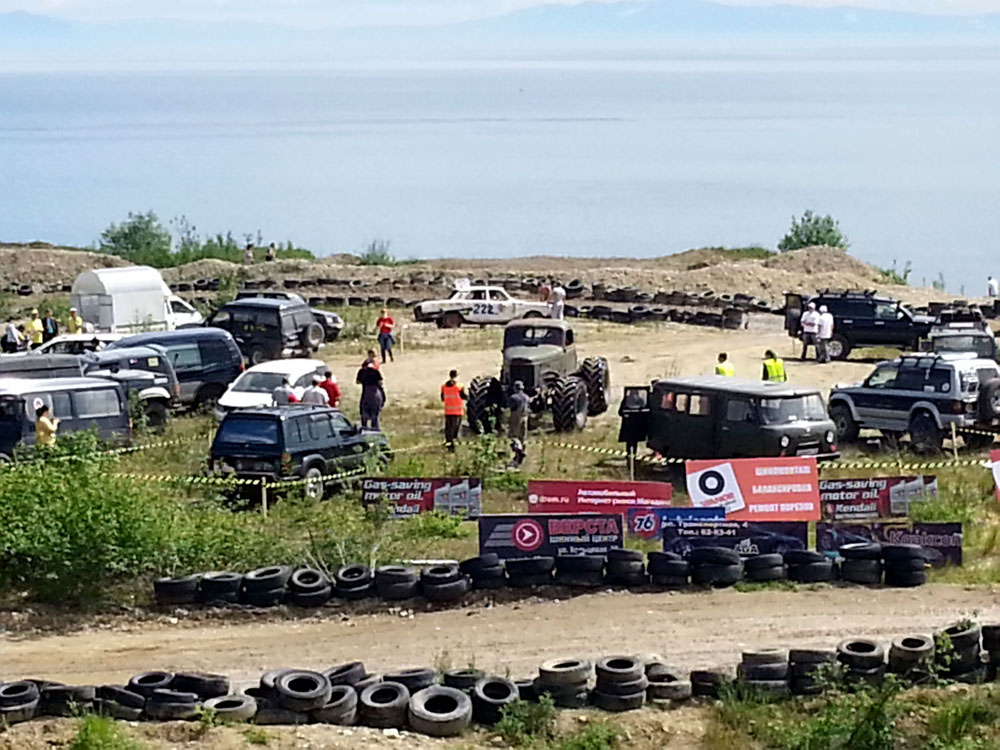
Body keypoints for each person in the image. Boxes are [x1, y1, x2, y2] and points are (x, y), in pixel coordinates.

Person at [618, 388, 650, 461]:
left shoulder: (640, 401)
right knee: (631, 442)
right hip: (631, 424)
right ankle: (630, 456)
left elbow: (645, 410)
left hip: (634, 424)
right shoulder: (627, 401)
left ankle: (631, 456)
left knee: (632, 442)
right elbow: (620, 412)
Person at [440, 369, 467, 452]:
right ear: (457, 376)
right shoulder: (459, 387)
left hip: (448, 411)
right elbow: (464, 396)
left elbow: (442, 398)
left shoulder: (444, 386)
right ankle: (454, 446)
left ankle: (449, 444)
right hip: (457, 411)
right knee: (455, 430)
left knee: (448, 429)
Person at [507, 380, 531, 468]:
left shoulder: (514, 397)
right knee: (523, 438)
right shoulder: (527, 397)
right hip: (525, 417)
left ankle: (519, 451)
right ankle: (519, 457)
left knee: (513, 436)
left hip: (516, 418)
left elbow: (510, 407)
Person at [356, 361, 386, 430]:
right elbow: (380, 383)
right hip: (375, 393)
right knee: (375, 415)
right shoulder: (375, 372)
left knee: (364, 413)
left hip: (366, 393)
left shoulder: (362, 372)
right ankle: (375, 430)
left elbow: (357, 382)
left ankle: (364, 429)